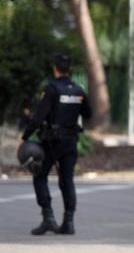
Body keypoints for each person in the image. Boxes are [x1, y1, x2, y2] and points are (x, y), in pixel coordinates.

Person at [20, 54, 92, 235]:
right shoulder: (79, 90)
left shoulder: (51, 89)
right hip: (71, 142)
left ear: (55, 68)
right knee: (67, 180)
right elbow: (88, 114)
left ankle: (48, 218)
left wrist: (24, 137)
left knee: (39, 176)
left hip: (52, 142)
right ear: (70, 69)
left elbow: (38, 117)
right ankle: (69, 222)